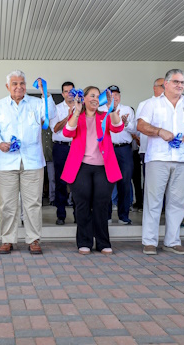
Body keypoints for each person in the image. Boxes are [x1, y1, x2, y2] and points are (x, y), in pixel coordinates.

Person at [137, 69, 184, 256]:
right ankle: (149, 242)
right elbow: (141, 125)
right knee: (153, 201)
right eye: (176, 82)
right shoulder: (152, 103)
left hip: (182, 159)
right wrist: (159, 131)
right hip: (158, 158)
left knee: (178, 203)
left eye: (182, 82)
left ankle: (172, 241)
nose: (180, 85)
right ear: (166, 84)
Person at [0, 70, 56, 255]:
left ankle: (34, 239)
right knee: (7, 204)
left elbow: (51, 114)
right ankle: (7, 239)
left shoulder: (37, 103)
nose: (19, 87)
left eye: (22, 83)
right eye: (14, 83)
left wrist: (45, 93)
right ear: (7, 86)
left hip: (32, 162)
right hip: (6, 163)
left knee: (33, 204)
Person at [61, 86, 123, 255]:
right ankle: (84, 242)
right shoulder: (77, 115)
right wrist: (76, 111)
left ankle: (103, 242)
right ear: (84, 98)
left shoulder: (105, 115)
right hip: (80, 167)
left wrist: (112, 109)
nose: (95, 99)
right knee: (82, 205)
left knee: (101, 205)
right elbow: (67, 132)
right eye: (92, 95)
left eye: (98, 96)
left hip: (103, 167)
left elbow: (118, 128)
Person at [99, 85, 137, 225]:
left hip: (124, 150)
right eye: (111, 95)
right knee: (106, 183)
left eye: (116, 95)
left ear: (120, 97)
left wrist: (126, 123)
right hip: (107, 149)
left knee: (125, 183)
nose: (114, 97)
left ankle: (123, 215)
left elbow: (135, 130)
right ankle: (106, 215)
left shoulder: (127, 110)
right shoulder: (100, 110)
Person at [49, 81, 75, 225]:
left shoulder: (81, 107)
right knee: (60, 181)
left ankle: (78, 214)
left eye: (71, 91)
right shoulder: (56, 109)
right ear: (62, 94)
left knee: (77, 181)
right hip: (61, 147)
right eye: (66, 91)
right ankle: (61, 215)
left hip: (77, 147)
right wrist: (68, 117)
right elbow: (55, 128)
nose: (69, 94)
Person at [135, 78, 164, 181]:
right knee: (150, 182)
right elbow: (138, 127)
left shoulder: (170, 105)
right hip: (148, 150)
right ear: (154, 88)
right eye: (163, 86)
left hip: (165, 152)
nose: (166, 89)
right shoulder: (144, 104)